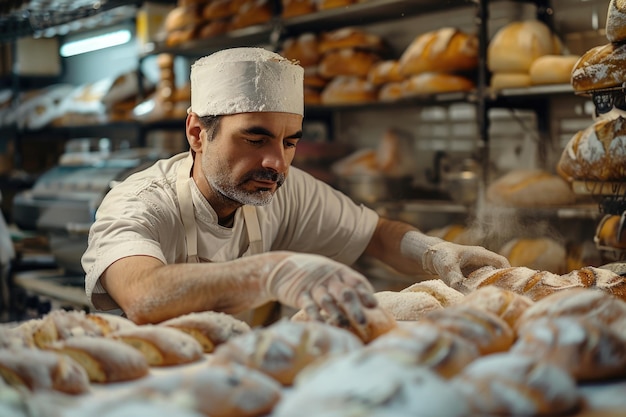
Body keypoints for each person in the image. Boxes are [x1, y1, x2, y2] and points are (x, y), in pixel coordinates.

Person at [82, 47, 509, 332]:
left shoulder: (281, 191)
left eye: (290, 142)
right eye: (255, 139)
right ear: (197, 132)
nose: (277, 164)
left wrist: (434, 253)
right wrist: (272, 272)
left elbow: (376, 236)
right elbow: (143, 294)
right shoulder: (139, 203)